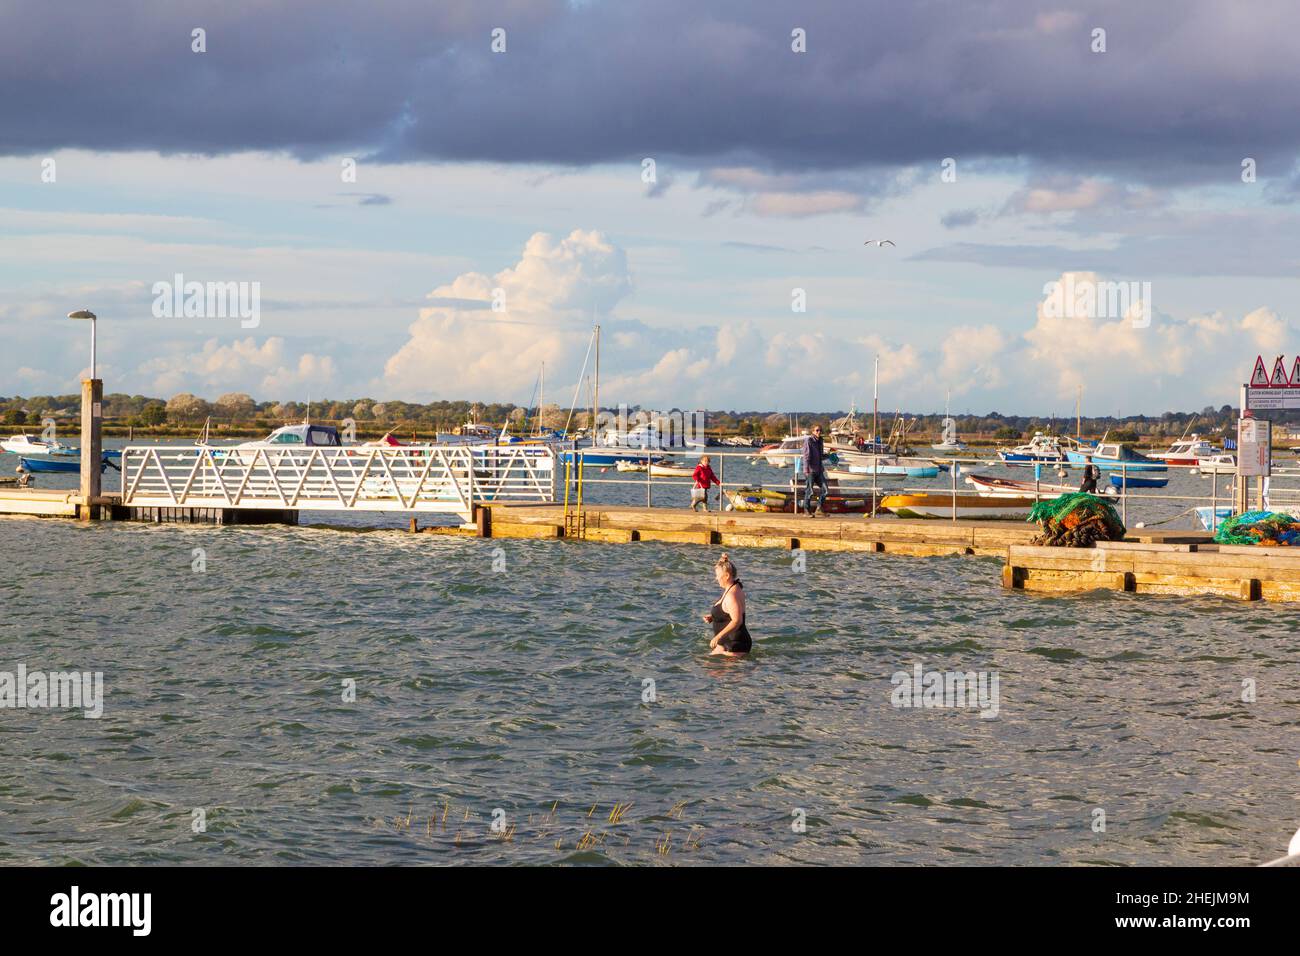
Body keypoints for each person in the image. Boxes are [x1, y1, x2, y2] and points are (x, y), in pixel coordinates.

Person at [703, 553, 751, 656]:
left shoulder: (731, 595)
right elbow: (728, 612)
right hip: (726, 643)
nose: (716, 578)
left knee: (709, 668)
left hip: (734, 645)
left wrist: (718, 637)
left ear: (727, 576)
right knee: (706, 667)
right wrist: (714, 616)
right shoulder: (733, 587)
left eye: (718, 576)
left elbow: (737, 621)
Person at [802, 425, 828, 516]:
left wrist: (829, 455)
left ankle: (819, 509)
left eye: (820, 430)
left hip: (819, 470)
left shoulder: (820, 441)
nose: (819, 432)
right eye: (817, 430)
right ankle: (806, 510)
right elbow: (806, 456)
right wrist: (806, 470)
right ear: (812, 431)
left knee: (825, 489)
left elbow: (820, 456)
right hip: (810, 470)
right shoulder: (809, 441)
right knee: (809, 491)